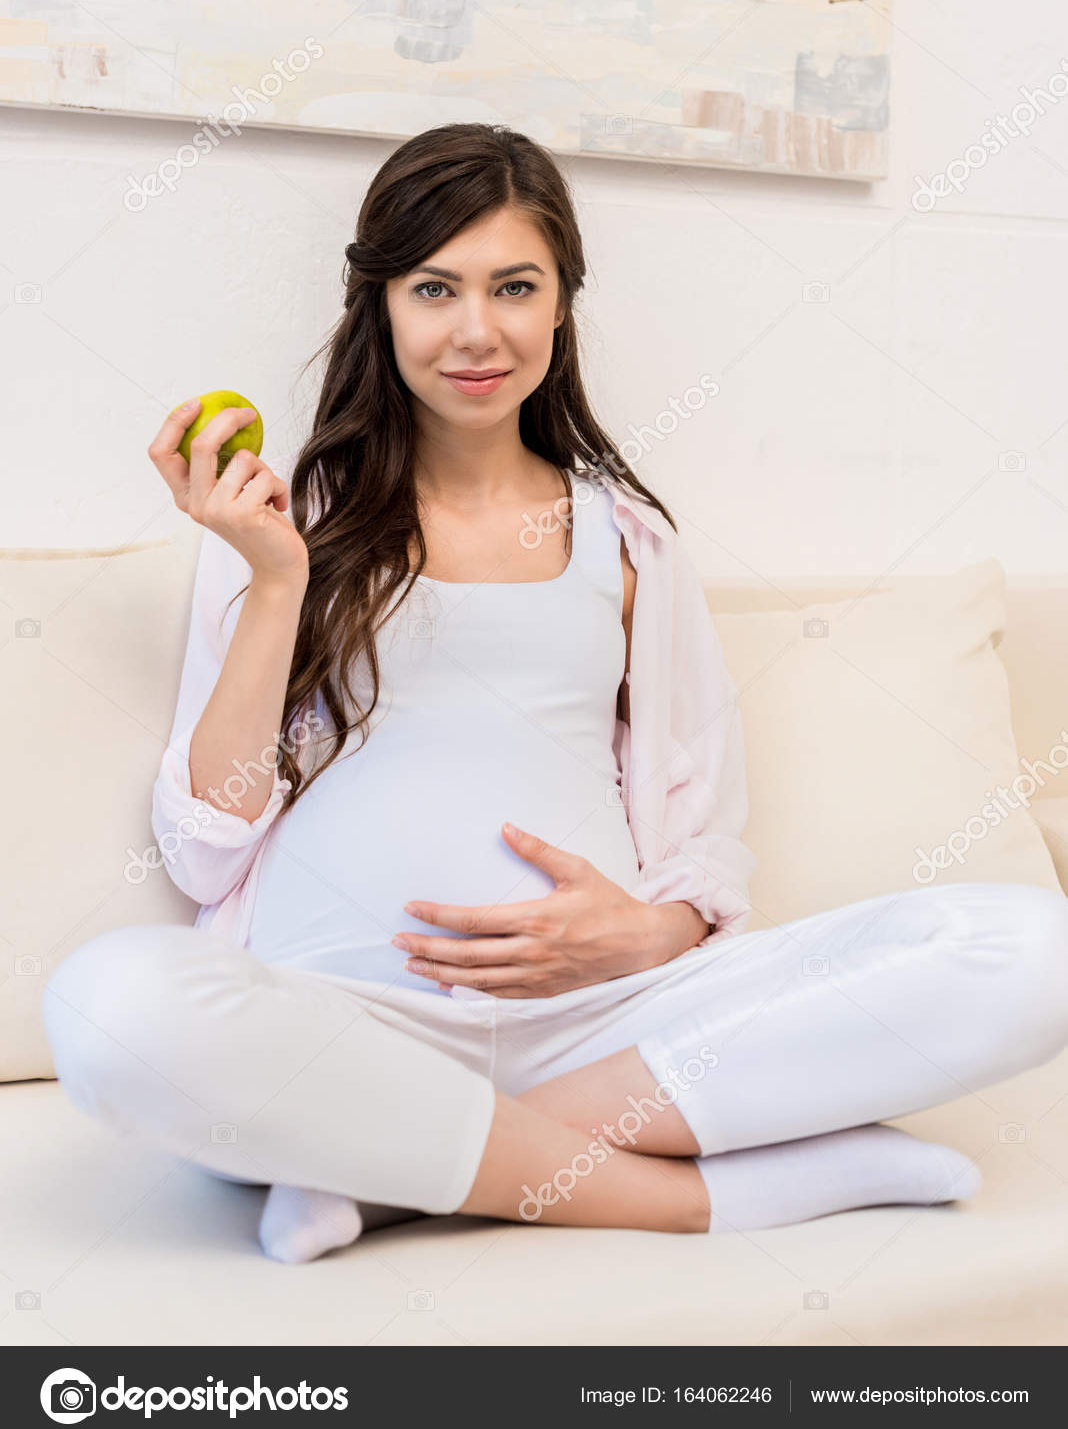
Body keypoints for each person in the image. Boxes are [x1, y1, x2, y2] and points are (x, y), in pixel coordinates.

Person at [42, 124, 1068, 1264]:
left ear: (561, 307)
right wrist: (276, 578)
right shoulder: (282, 525)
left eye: (514, 286)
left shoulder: (629, 537)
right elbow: (204, 851)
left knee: (1031, 948)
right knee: (109, 1004)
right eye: (435, 287)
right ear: (378, 304)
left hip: (608, 1029)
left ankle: (381, 1171)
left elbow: (702, 831)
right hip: (340, 1027)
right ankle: (686, 1196)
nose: (477, 329)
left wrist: (644, 930)